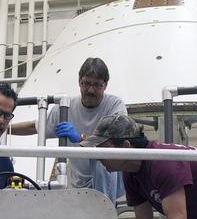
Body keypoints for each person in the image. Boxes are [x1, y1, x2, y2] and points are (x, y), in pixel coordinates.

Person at [12, 57, 126, 201]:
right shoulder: (65, 107)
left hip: (110, 179)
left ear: (105, 85)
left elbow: (111, 145)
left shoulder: (115, 105)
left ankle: (106, 209)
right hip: (80, 183)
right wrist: (4, 127)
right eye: (86, 83)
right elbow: (36, 127)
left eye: (97, 85)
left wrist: (80, 138)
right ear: (79, 82)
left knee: (101, 158)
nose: (91, 90)